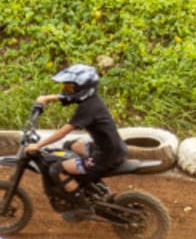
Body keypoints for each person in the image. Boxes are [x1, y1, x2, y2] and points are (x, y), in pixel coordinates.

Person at [31, 63, 126, 198]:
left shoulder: (88, 108)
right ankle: (87, 182)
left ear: (82, 88)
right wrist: (47, 98)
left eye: (69, 87)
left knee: (56, 169)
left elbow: (63, 132)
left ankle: (80, 201)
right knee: (69, 145)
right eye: (66, 87)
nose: (66, 90)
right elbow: (70, 97)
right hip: (108, 148)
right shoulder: (91, 99)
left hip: (106, 156)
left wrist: (38, 145)